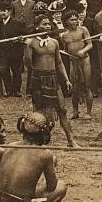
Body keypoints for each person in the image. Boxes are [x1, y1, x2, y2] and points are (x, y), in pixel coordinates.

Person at [24, 14, 79, 147]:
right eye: (44, 24)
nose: (48, 26)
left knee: (62, 109)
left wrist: (66, 80)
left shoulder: (54, 42)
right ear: (37, 27)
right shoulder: (31, 43)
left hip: (53, 78)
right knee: (40, 111)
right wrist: (26, 47)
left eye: (49, 24)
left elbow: (59, 63)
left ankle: (71, 141)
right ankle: (39, 142)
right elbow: (27, 63)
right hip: (38, 79)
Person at [59, 9, 95, 120]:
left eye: (76, 19)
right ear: (66, 21)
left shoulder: (83, 30)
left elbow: (90, 44)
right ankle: (75, 111)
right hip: (72, 62)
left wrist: (83, 51)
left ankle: (88, 112)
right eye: (72, 20)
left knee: (87, 86)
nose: (75, 22)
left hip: (84, 60)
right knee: (74, 88)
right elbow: (64, 49)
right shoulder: (64, 35)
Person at [0, 1, 26, 97]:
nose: (2, 13)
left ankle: (16, 90)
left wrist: (19, 39)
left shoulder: (17, 23)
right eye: (1, 11)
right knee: (4, 70)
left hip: (15, 51)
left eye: (4, 11)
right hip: (4, 52)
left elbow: (24, 35)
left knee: (16, 71)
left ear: (9, 12)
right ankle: (9, 89)